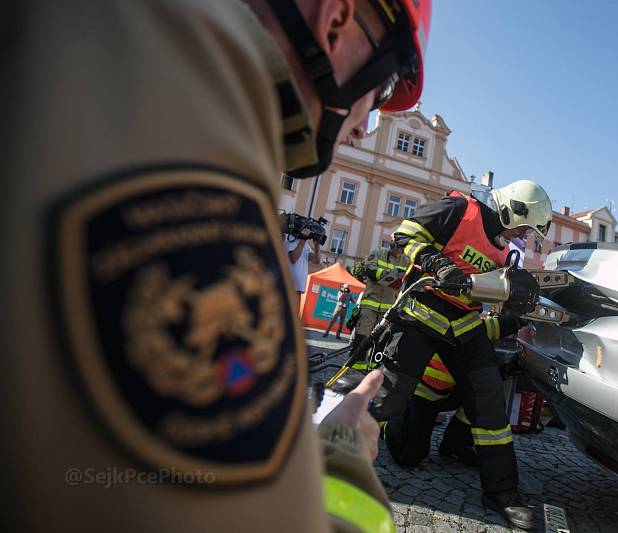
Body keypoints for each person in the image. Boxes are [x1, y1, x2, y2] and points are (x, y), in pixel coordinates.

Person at [2, 0, 431, 532]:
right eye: (383, 89)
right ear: (337, 19)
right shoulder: (185, 135)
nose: (366, 126)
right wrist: (342, 456)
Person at [369, 180, 552, 530]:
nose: (525, 236)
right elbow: (405, 235)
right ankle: (342, 462)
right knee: (388, 394)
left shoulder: (504, 249)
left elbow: (491, 295)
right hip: (422, 312)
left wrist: (516, 302)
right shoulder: (458, 209)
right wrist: (439, 265)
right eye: (526, 227)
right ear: (513, 210)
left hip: (465, 325)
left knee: (489, 402)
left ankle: (501, 491)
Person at [383, 314, 522, 468]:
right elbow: (484, 329)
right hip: (423, 394)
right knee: (410, 455)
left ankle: (455, 445)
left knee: (483, 396)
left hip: (448, 389)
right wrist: (519, 319)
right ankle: (389, 421)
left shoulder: (471, 322)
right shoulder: (452, 317)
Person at [349, 239, 410, 369]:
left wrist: (400, 280)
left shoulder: (406, 261)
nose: (398, 251)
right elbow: (368, 269)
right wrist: (385, 274)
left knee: (381, 340)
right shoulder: (378, 252)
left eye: (401, 248)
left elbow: (409, 281)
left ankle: (373, 368)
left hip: (388, 307)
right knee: (362, 336)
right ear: (391, 245)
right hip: (369, 303)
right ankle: (356, 367)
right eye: (396, 247)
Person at [284, 232, 321, 309]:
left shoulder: (306, 245)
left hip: (298, 287)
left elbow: (316, 260)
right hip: (288, 285)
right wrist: (303, 239)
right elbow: (293, 258)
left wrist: (317, 245)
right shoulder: (290, 239)